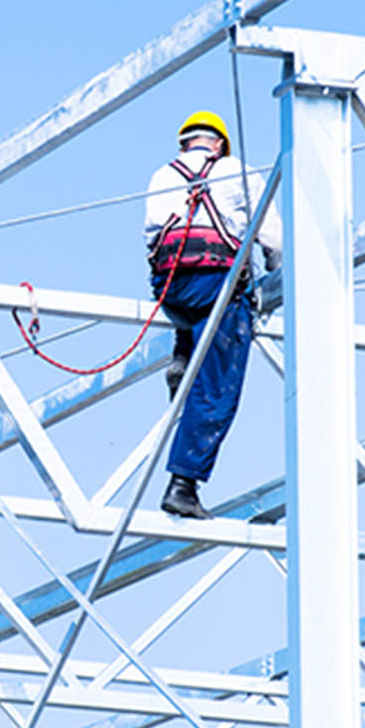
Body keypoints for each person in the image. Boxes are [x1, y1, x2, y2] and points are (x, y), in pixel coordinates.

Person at [144, 110, 282, 519]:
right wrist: (276, 275)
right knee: (217, 386)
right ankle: (183, 483)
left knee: (193, 314)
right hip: (216, 285)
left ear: (185, 142)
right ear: (220, 144)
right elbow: (271, 235)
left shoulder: (161, 175)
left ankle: (183, 350)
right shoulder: (236, 170)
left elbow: (151, 235)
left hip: (170, 289)